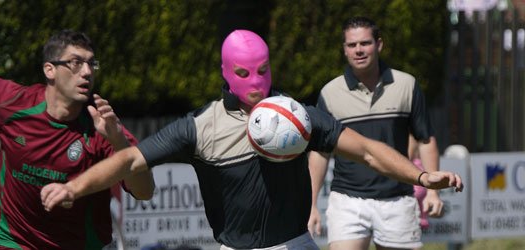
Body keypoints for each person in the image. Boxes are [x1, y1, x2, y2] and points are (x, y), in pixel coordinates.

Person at [40, 29, 463, 250]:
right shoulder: (200, 127)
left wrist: (420, 178)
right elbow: (131, 161)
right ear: (226, 72)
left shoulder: (297, 118)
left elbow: (368, 150)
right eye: (244, 73)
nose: (256, 83)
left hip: (296, 243)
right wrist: (74, 186)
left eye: (262, 70)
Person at [0, 30, 155, 249]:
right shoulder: (15, 103)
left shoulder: (103, 127)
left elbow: (145, 191)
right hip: (12, 241)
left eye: (91, 64)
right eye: (75, 62)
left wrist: (119, 141)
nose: (86, 72)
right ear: (49, 69)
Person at [308, 16, 444, 250]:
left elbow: (425, 138)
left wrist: (433, 193)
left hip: (398, 198)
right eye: (352, 45)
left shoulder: (406, 85)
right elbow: (320, 154)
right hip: (348, 200)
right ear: (344, 50)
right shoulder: (329, 93)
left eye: (365, 43)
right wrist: (311, 204)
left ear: (379, 44)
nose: (358, 50)